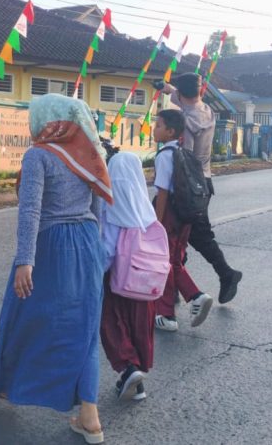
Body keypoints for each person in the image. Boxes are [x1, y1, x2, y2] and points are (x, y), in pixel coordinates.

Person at [0, 94, 113, 445]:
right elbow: (98, 206)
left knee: (20, 317)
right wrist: (95, 252)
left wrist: (25, 260)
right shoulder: (87, 153)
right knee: (84, 329)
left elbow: (30, 212)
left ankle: (2, 385)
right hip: (85, 242)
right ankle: (90, 416)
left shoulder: (39, 155)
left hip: (51, 245)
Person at [153, 73, 243, 305]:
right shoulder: (207, 110)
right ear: (201, 91)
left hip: (184, 184)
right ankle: (175, 284)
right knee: (190, 235)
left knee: (177, 234)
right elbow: (181, 96)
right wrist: (166, 88)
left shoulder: (182, 121)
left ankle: (222, 275)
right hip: (204, 182)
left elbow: (181, 159)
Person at [99, 151, 158, 403]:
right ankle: (137, 380)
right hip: (144, 282)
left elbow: (107, 249)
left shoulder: (111, 205)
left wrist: (96, 272)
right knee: (139, 327)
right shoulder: (145, 207)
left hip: (117, 279)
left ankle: (128, 367)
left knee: (111, 321)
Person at [152, 108, 212, 332]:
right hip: (187, 214)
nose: (154, 129)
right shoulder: (183, 153)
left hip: (169, 216)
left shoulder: (164, 156)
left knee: (163, 263)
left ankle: (167, 315)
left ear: (170, 131)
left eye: (158, 126)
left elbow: (163, 192)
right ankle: (195, 296)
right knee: (174, 261)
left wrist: (156, 223)